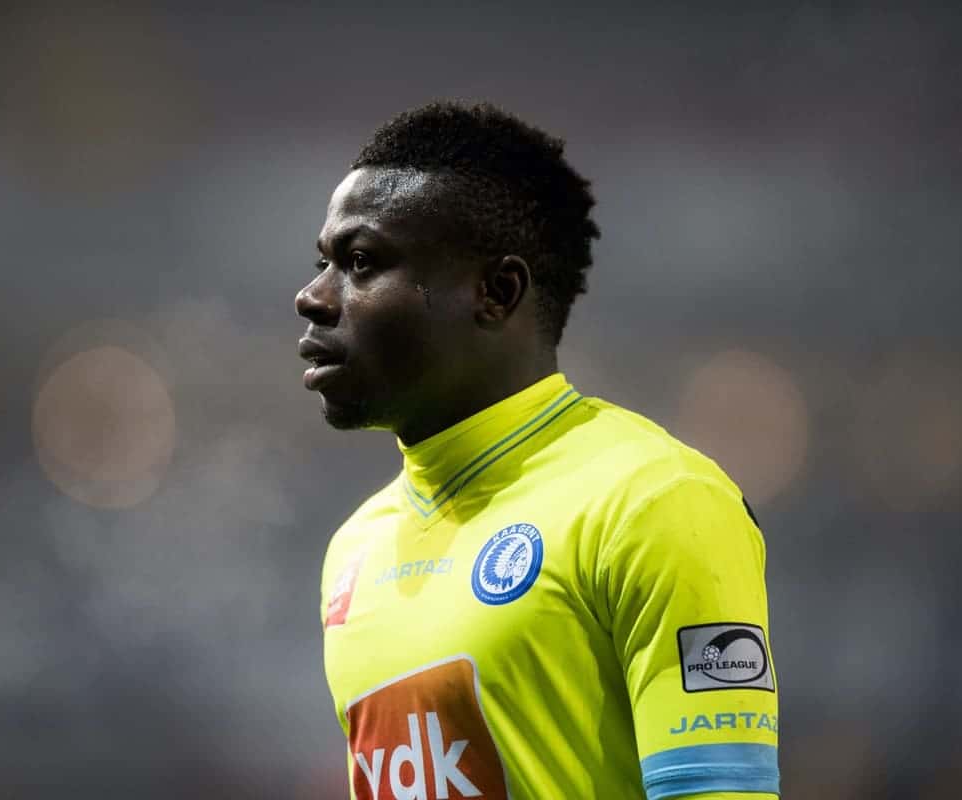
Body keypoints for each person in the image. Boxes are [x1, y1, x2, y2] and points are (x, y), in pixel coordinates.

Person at [295, 101, 779, 800]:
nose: (313, 296)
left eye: (361, 262)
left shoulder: (655, 500)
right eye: (323, 262)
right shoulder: (355, 550)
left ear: (496, 292)